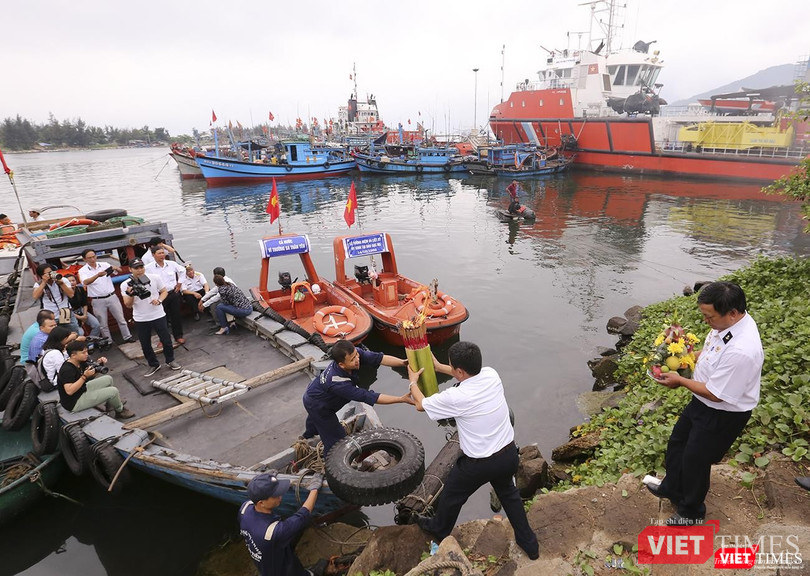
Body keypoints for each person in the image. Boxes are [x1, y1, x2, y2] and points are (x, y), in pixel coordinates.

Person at [407, 341, 539, 560]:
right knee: (509, 496)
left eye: (451, 366)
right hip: (507, 454)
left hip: (479, 464)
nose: (449, 368)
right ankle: (530, 545)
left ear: (459, 371)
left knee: (452, 495)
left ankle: (439, 529)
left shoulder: (456, 397)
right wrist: (438, 366)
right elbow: (463, 374)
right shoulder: (491, 374)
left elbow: (421, 405)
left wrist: (413, 382)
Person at [650, 282, 764, 525]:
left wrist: (680, 380)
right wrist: (687, 358)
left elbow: (716, 394)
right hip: (701, 402)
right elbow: (713, 348)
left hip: (722, 412)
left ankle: (691, 512)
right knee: (678, 443)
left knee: (696, 460)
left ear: (732, 313)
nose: (706, 322)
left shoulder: (743, 350)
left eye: (709, 317)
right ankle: (671, 488)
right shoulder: (730, 323)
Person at [302, 340, 413, 454]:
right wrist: (401, 399)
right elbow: (369, 396)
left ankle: (307, 438)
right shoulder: (338, 383)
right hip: (318, 405)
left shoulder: (354, 354)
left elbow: (379, 358)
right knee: (336, 441)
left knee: (315, 423)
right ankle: (331, 467)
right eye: (352, 359)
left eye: (357, 355)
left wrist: (403, 363)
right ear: (341, 364)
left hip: (316, 392)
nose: (357, 360)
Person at [239, 471, 323, 576]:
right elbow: (302, 516)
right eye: (275, 495)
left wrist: (267, 480)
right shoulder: (273, 532)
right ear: (262, 503)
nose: (280, 496)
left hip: (267, 563)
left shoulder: (245, 508)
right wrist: (314, 489)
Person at [121, 258, 181, 377]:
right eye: (136, 268)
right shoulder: (125, 285)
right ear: (130, 269)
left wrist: (159, 300)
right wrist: (131, 294)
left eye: (141, 267)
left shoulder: (154, 278)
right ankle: (153, 364)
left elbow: (164, 291)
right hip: (141, 318)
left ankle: (170, 360)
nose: (139, 270)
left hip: (158, 314)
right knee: (145, 344)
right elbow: (128, 305)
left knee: (166, 339)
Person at [57, 340, 134, 419]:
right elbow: (69, 391)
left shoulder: (80, 362)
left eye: (86, 351)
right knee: (113, 391)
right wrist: (84, 376)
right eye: (83, 353)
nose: (86, 354)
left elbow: (89, 377)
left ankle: (110, 403)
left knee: (108, 379)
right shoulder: (67, 370)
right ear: (73, 355)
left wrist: (98, 365)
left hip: (82, 390)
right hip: (74, 402)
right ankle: (120, 411)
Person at [78, 248, 136, 343]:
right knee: (103, 323)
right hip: (97, 299)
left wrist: (115, 268)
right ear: (85, 259)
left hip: (112, 296)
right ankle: (108, 341)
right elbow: (85, 282)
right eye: (89, 258)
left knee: (121, 319)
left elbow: (120, 270)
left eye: (94, 256)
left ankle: (127, 337)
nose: (93, 259)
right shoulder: (82, 271)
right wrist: (97, 275)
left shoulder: (104, 264)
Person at [146, 247, 186, 344]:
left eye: (163, 253)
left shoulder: (172, 264)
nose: (162, 255)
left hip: (173, 293)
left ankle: (178, 336)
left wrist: (179, 283)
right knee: (162, 318)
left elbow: (183, 270)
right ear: (153, 255)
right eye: (159, 253)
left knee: (175, 315)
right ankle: (163, 339)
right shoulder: (148, 268)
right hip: (159, 296)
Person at [32, 263, 78, 333]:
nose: (51, 274)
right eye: (48, 273)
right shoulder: (38, 284)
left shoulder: (63, 280)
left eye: (52, 272)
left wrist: (61, 284)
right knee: (58, 336)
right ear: (42, 275)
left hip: (65, 312)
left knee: (74, 333)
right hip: (51, 315)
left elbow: (71, 295)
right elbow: (35, 296)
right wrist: (44, 282)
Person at [38, 326, 78, 391]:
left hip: (53, 378)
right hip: (56, 382)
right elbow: (63, 370)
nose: (67, 340)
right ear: (60, 339)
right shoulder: (55, 353)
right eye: (66, 338)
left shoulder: (48, 348)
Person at [65, 273, 102, 338]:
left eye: (73, 280)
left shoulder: (80, 289)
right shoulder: (63, 293)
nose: (72, 283)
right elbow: (67, 310)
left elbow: (85, 304)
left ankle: (91, 339)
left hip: (81, 309)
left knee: (96, 325)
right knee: (80, 332)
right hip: (70, 313)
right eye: (69, 281)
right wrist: (80, 318)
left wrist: (84, 315)